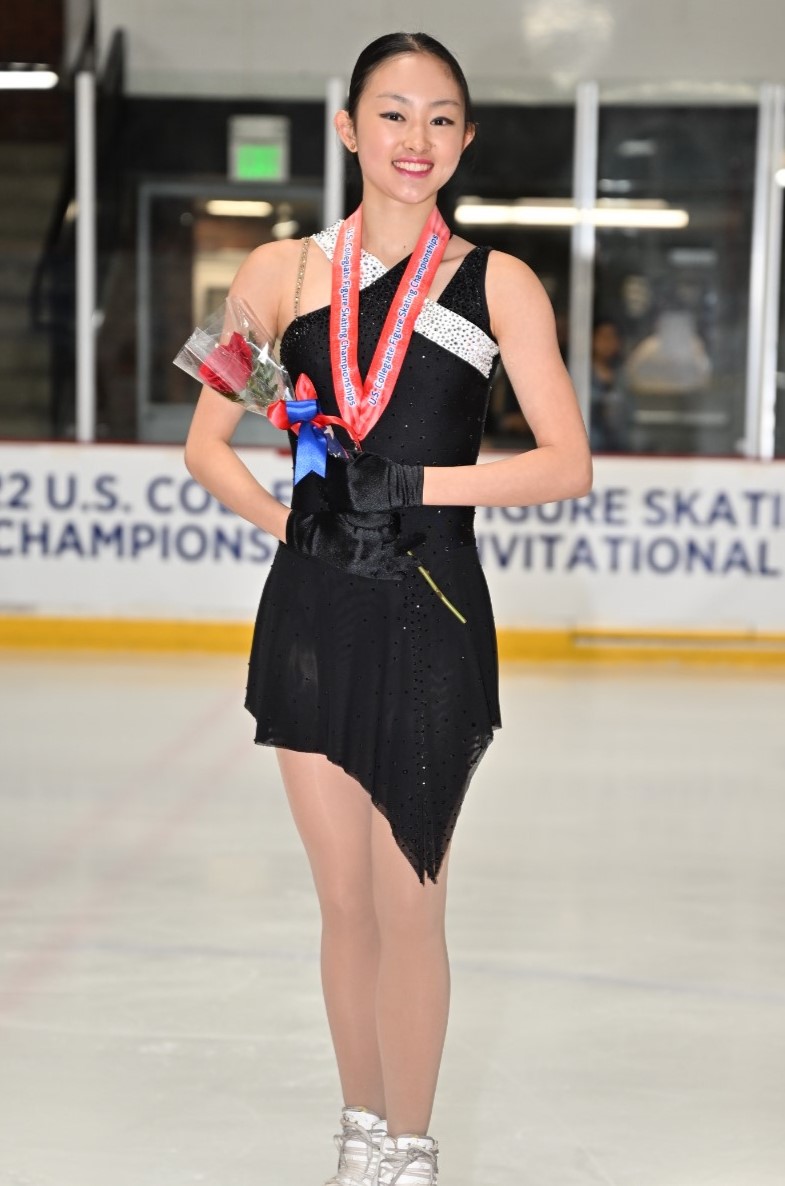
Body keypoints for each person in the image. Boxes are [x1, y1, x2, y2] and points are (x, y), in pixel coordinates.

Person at [184, 31, 591, 1186]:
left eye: (442, 118)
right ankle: (359, 1129)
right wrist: (290, 523)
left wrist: (413, 486)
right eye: (394, 114)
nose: (416, 140)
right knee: (344, 902)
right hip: (314, 607)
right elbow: (209, 441)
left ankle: (410, 1151)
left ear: (464, 139)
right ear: (349, 127)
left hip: (429, 610)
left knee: (413, 895)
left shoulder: (496, 281)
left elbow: (565, 464)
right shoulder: (278, 274)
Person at [590, 316, 629, 453]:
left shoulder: (624, 376)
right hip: (591, 446)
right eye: (603, 337)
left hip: (621, 449)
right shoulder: (579, 374)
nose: (607, 342)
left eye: (612, 337)